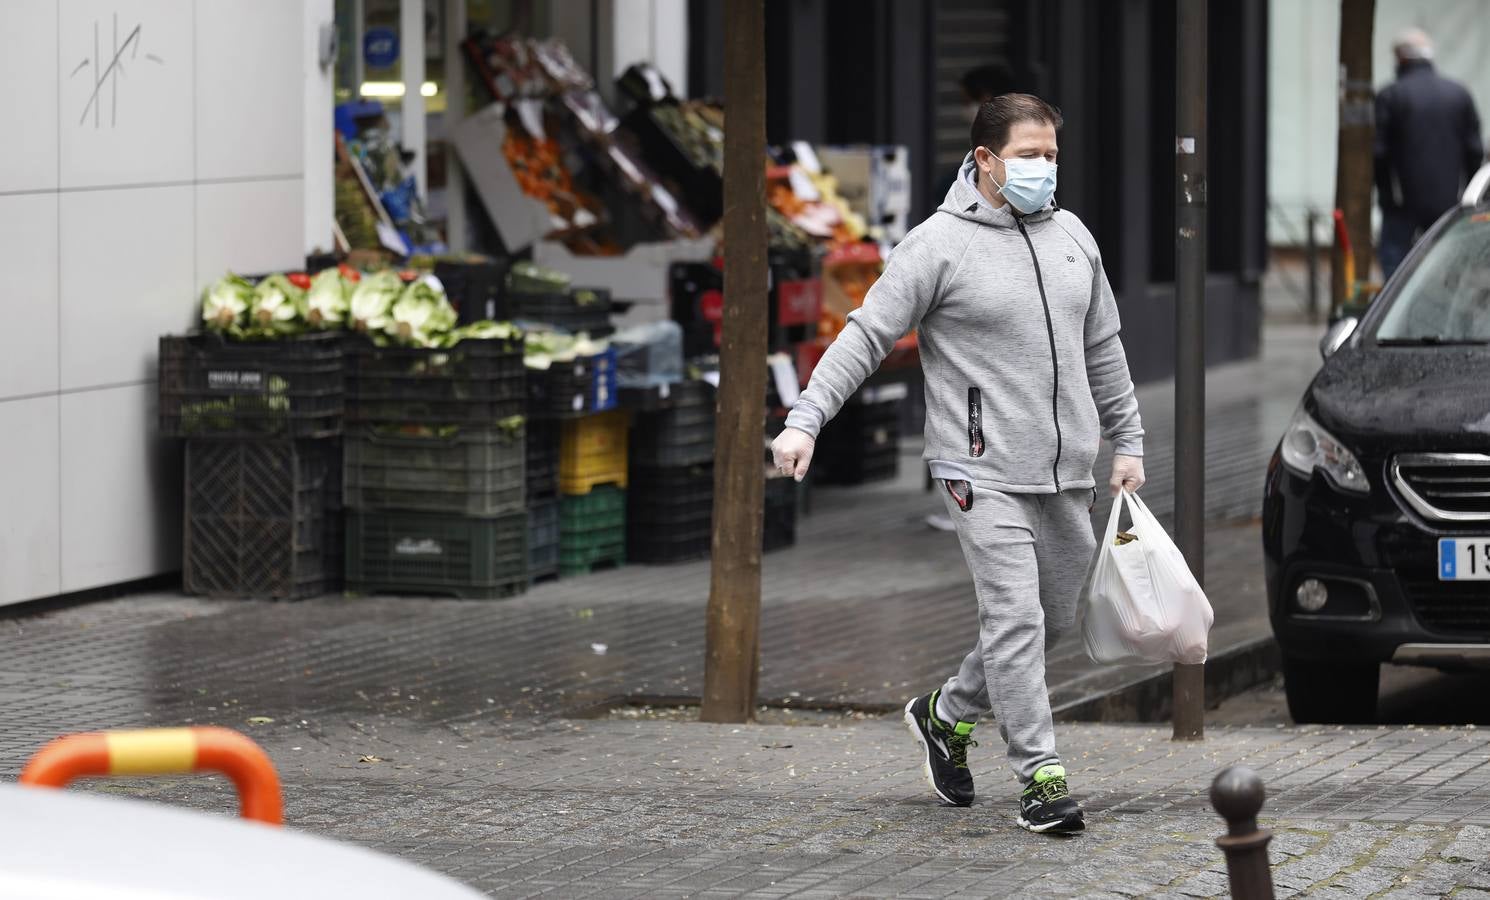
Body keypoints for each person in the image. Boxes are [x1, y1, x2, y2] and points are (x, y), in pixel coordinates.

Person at [770, 94, 1145, 835]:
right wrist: (804, 419)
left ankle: (946, 712)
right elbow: (865, 335)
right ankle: (1041, 777)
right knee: (1014, 616)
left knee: (1053, 618)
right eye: (1031, 155)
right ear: (985, 159)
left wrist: (1127, 440)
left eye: (1053, 156)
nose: (1045, 168)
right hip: (979, 469)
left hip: (1066, 468)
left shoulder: (1074, 237)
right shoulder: (937, 244)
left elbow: (1103, 347)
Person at [1375, 27, 1485, 281]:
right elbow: (1474, 150)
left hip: (1402, 203)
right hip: (1449, 201)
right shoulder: (1459, 94)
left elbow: (1379, 154)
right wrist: (1468, 194)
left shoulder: (1391, 95)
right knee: (1450, 268)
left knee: (1396, 271)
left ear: (1400, 58)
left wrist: (1387, 196)